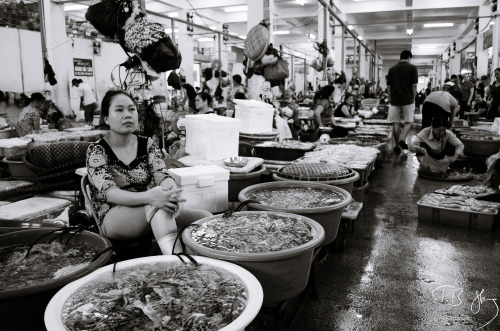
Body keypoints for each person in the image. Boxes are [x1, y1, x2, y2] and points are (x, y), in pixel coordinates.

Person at [86, 90, 210, 255]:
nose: (128, 115)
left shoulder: (147, 144)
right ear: (106, 118)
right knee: (158, 207)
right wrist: (151, 197)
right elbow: (110, 194)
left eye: (132, 109)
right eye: (119, 110)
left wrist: (172, 193)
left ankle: (203, 262)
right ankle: (177, 263)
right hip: (113, 214)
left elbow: (162, 175)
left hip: (148, 207)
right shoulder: (96, 150)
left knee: (204, 217)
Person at [386, 49, 418, 154]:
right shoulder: (412, 68)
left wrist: (390, 97)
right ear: (409, 58)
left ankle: (396, 145)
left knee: (396, 122)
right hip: (408, 99)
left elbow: (389, 86)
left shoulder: (392, 69)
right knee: (408, 121)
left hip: (394, 99)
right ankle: (402, 140)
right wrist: (414, 98)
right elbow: (414, 85)